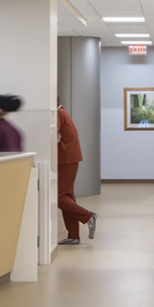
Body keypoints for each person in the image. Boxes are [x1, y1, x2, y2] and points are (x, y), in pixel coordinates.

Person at [56, 98, 97, 245]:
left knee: (59, 196)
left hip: (66, 159)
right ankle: (73, 236)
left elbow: (52, 135)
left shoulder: (58, 113)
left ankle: (88, 216)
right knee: (67, 196)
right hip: (69, 159)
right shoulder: (62, 112)